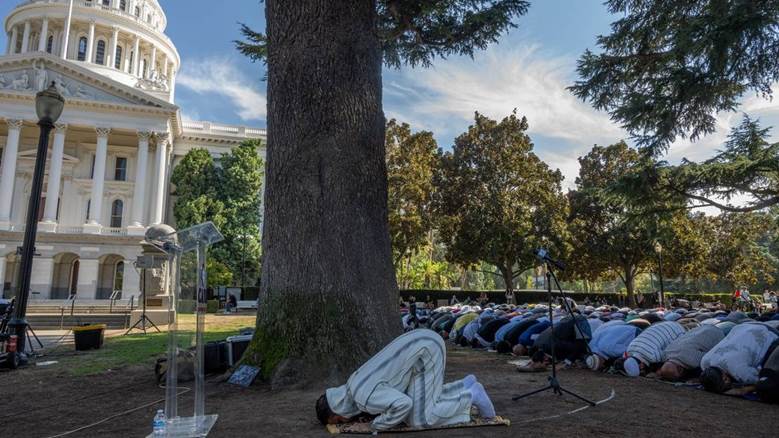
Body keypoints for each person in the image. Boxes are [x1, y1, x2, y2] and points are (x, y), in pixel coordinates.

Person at [316, 330, 496, 431]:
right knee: (423, 402)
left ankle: (472, 395)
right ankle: (465, 385)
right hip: (421, 344)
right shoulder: (352, 385)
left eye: (339, 420)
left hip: (426, 351)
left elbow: (403, 404)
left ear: (337, 410)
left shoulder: (363, 398)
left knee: (421, 419)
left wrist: (372, 425)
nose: (344, 422)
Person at [700, 322, 779, 393]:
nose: (728, 383)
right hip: (742, 326)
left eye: (726, 382)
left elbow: (762, 382)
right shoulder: (704, 362)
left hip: (768, 332)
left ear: (725, 378)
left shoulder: (739, 371)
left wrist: (744, 389)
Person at [657, 324, 725, 381]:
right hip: (701, 328)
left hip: (717, 333)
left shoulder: (692, 361)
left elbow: (709, 358)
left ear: (680, 370)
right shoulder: (666, 353)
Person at [620, 321, 686, 377]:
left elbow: (668, 356)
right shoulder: (628, 350)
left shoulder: (652, 356)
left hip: (677, 330)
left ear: (641, 366)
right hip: (663, 325)